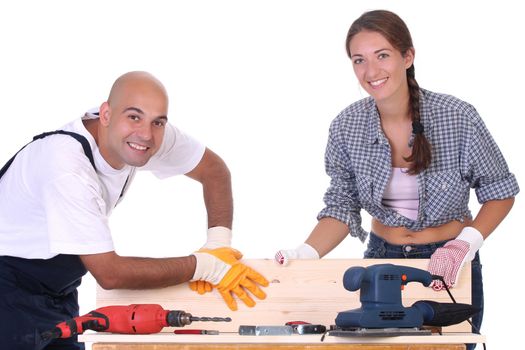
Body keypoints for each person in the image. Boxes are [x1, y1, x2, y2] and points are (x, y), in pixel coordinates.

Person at [274, 10, 518, 350]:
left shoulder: (457, 116)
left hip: (448, 260)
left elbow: (500, 191)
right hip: (380, 261)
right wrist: (305, 252)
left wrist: (466, 243)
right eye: (359, 60)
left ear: (408, 56)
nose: (371, 71)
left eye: (382, 55)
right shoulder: (346, 126)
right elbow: (342, 206)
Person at [0, 71, 268, 350]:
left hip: (58, 288)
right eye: (134, 117)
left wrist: (218, 245)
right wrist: (206, 266)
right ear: (105, 114)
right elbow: (110, 273)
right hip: (7, 288)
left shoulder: (144, 136)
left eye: (158, 122)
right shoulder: (65, 166)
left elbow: (214, 171)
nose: (146, 134)